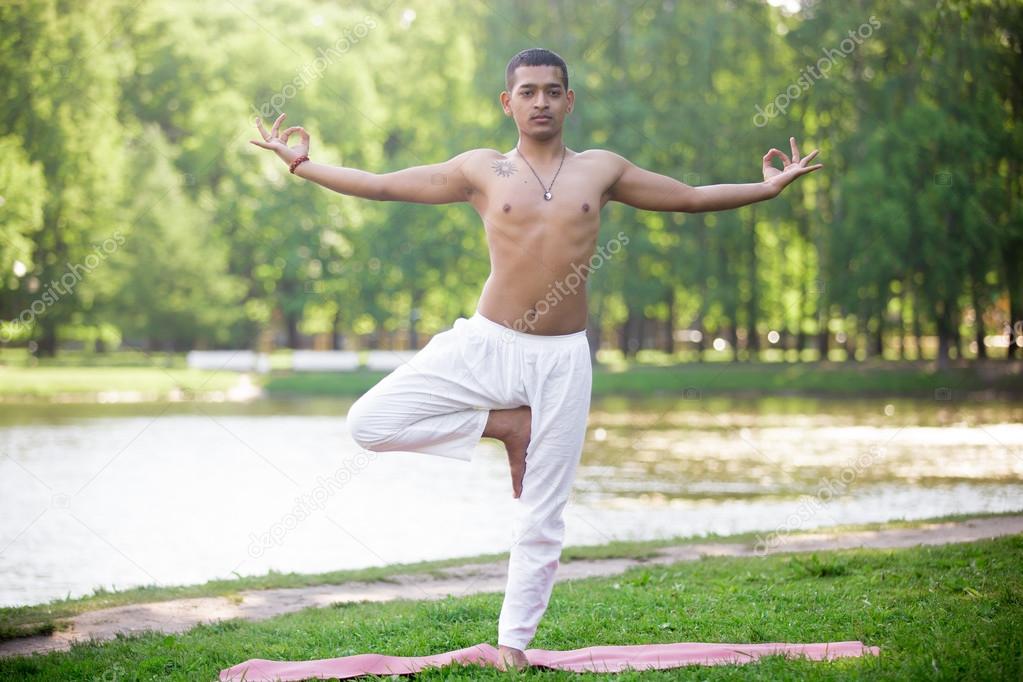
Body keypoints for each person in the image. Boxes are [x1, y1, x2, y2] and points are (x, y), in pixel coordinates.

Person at [250, 47, 822, 672]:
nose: (541, 101)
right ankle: (505, 426)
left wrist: (766, 190)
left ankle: (513, 647)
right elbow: (386, 186)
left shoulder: (600, 170)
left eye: (553, 91)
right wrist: (303, 165)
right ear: (509, 102)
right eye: (528, 92)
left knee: (543, 512)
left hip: (562, 360)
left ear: (569, 100)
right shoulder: (483, 170)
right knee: (369, 423)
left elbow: (686, 196)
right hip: (486, 344)